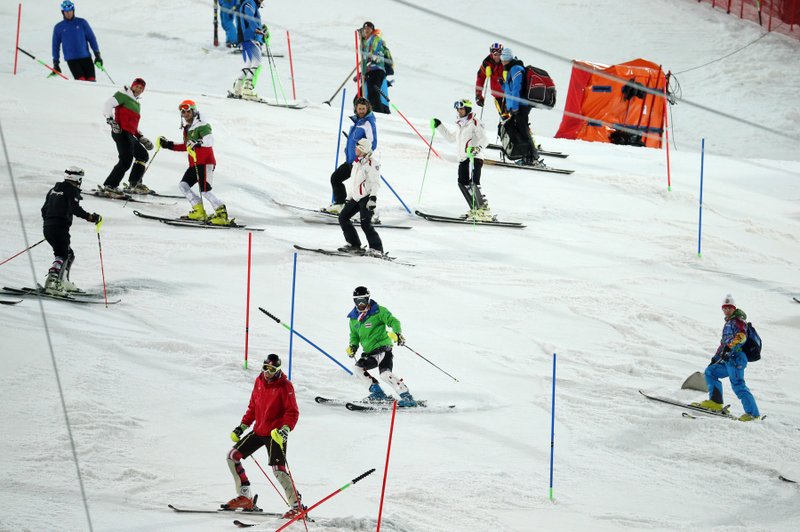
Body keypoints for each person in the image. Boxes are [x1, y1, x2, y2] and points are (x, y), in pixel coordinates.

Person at [225, 354, 304, 517]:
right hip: (259, 429)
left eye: (272, 369)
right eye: (265, 368)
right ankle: (245, 497)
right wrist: (242, 426)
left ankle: (297, 507)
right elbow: (253, 407)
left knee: (278, 470)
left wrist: (285, 429)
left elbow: (292, 412)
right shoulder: (259, 381)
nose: (268, 372)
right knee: (232, 456)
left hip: (276, 433)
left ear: (278, 370)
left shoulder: (285, 386)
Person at [158, 100, 233, 225]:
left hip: (205, 163)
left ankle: (222, 214)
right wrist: (168, 145)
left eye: (188, 111)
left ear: (194, 111)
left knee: (205, 190)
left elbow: (209, 141)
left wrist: (198, 142)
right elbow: (186, 146)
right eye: (183, 112)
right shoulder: (188, 128)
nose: (185, 114)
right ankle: (199, 211)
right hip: (194, 164)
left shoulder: (202, 124)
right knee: (183, 185)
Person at [693, 294, 761, 421]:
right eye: (725, 308)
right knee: (711, 372)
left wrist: (731, 346)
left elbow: (742, 336)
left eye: (730, 307)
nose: (727, 310)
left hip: (737, 358)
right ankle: (715, 402)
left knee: (738, 385)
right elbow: (723, 344)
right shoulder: (729, 323)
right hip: (728, 358)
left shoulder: (738, 321)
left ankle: (753, 414)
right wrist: (715, 358)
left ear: (734, 308)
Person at [346, 287, 416, 407]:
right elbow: (354, 336)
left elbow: (393, 321)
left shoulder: (378, 311)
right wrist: (353, 346)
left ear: (368, 299)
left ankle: (406, 396)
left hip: (383, 349)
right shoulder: (353, 319)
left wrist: (398, 333)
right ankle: (377, 393)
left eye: (363, 300)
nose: (361, 304)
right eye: (358, 301)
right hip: (369, 352)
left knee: (384, 374)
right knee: (357, 369)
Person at [41, 167, 101, 295]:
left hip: (48, 227)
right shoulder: (71, 190)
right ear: (78, 178)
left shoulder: (53, 190)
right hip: (60, 228)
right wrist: (91, 217)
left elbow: (44, 210)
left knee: (69, 254)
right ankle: (53, 284)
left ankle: (63, 281)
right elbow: (75, 209)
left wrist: (49, 225)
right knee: (62, 254)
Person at [431, 99, 492, 221]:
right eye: (458, 109)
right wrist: (439, 126)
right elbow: (450, 138)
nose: (459, 111)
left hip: (474, 157)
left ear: (468, 109)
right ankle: (475, 209)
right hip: (464, 158)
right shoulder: (460, 124)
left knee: (474, 183)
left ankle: (483, 212)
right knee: (462, 183)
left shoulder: (475, 122)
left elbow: (484, 140)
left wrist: (476, 149)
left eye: (462, 109)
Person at [323, 97, 378, 215]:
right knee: (336, 178)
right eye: (359, 109)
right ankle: (339, 204)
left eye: (363, 109)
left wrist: (363, 156)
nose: (361, 111)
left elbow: (372, 143)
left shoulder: (368, 122)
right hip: (351, 160)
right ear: (356, 109)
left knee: (360, 188)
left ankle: (368, 213)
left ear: (367, 108)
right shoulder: (358, 121)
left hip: (359, 162)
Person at [100, 78, 154, 196]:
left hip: (129, 134)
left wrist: (141, 137)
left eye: (141, 88)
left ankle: (135, 183)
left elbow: (132, 125)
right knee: (126, 159)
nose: (138, 89)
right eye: (137, 86)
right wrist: (110, 120)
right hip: (120, 131)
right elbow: (108, 104)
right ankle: (110, 185)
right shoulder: (123, 94)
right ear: (132, 86)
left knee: (142, 155)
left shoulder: (136, 103)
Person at [500, 48, 545, 168]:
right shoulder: (512, 69)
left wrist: (514, 107)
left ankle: (533, 158)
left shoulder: (516, 69)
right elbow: (510, 89)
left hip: (520, 106)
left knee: (524, 131)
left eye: (503, 58)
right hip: (517, 106)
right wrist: (502, 84)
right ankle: (526, 156)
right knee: (521, 130)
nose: (502, 61)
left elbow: (516, 89)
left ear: (508, 58)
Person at [338, 138, 383, 255]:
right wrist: (349, 197)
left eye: (357, 147)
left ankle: (377, 250)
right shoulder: (357, 163)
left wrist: (373, 198)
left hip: (366, 197)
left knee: (365, 224)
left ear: (362, 150)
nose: (355, 148)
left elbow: (375, 182)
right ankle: (354, 244)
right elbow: (355, 183)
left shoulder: (372, 164)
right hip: (357, 197)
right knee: (343, 217)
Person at [51, 1, 102, 82]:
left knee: (92, 82)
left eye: (70, 11)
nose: (68, 13)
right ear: (63, 12)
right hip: (72, 60)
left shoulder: (82, 22)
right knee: (82, 81)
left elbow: (92, 38)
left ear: (73, 10)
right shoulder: (59, 27)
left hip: (86, 58)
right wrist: (56, 63)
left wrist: (97, 55)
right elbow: (55, 46)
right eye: (66, 11)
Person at [231, 0, 265, 100]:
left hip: (246, 38)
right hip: (250, 36)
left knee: (249, 63)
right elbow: (248, 15)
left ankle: (238, 88)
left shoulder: (248, 3)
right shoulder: (249, 2)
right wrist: (256, 29)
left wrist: (259, 29)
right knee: (257, 62)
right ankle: (247, 89)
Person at [358, 21, 389, 114]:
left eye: (369, 28)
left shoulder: (375, 38)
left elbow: (373, 52)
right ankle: (362, 113)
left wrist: (368, 61)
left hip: (376, 69)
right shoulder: (364, 42)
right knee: (360, 96)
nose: (366, 30)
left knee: (373, 93)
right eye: (365, 28)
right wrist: (362, 73)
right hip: (369, 71)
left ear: (372, 30)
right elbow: (364, 59)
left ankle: (378, 113)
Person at [475, 43, 506, 116]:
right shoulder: (487, 62)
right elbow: (480, 78)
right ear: (491, 53)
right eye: (495, 55)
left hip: (510, 95)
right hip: (497, 95)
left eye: (499, 54)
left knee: (517, 119)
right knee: (505, 118)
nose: (497, 57)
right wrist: (478, 95)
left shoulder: (507, 61)